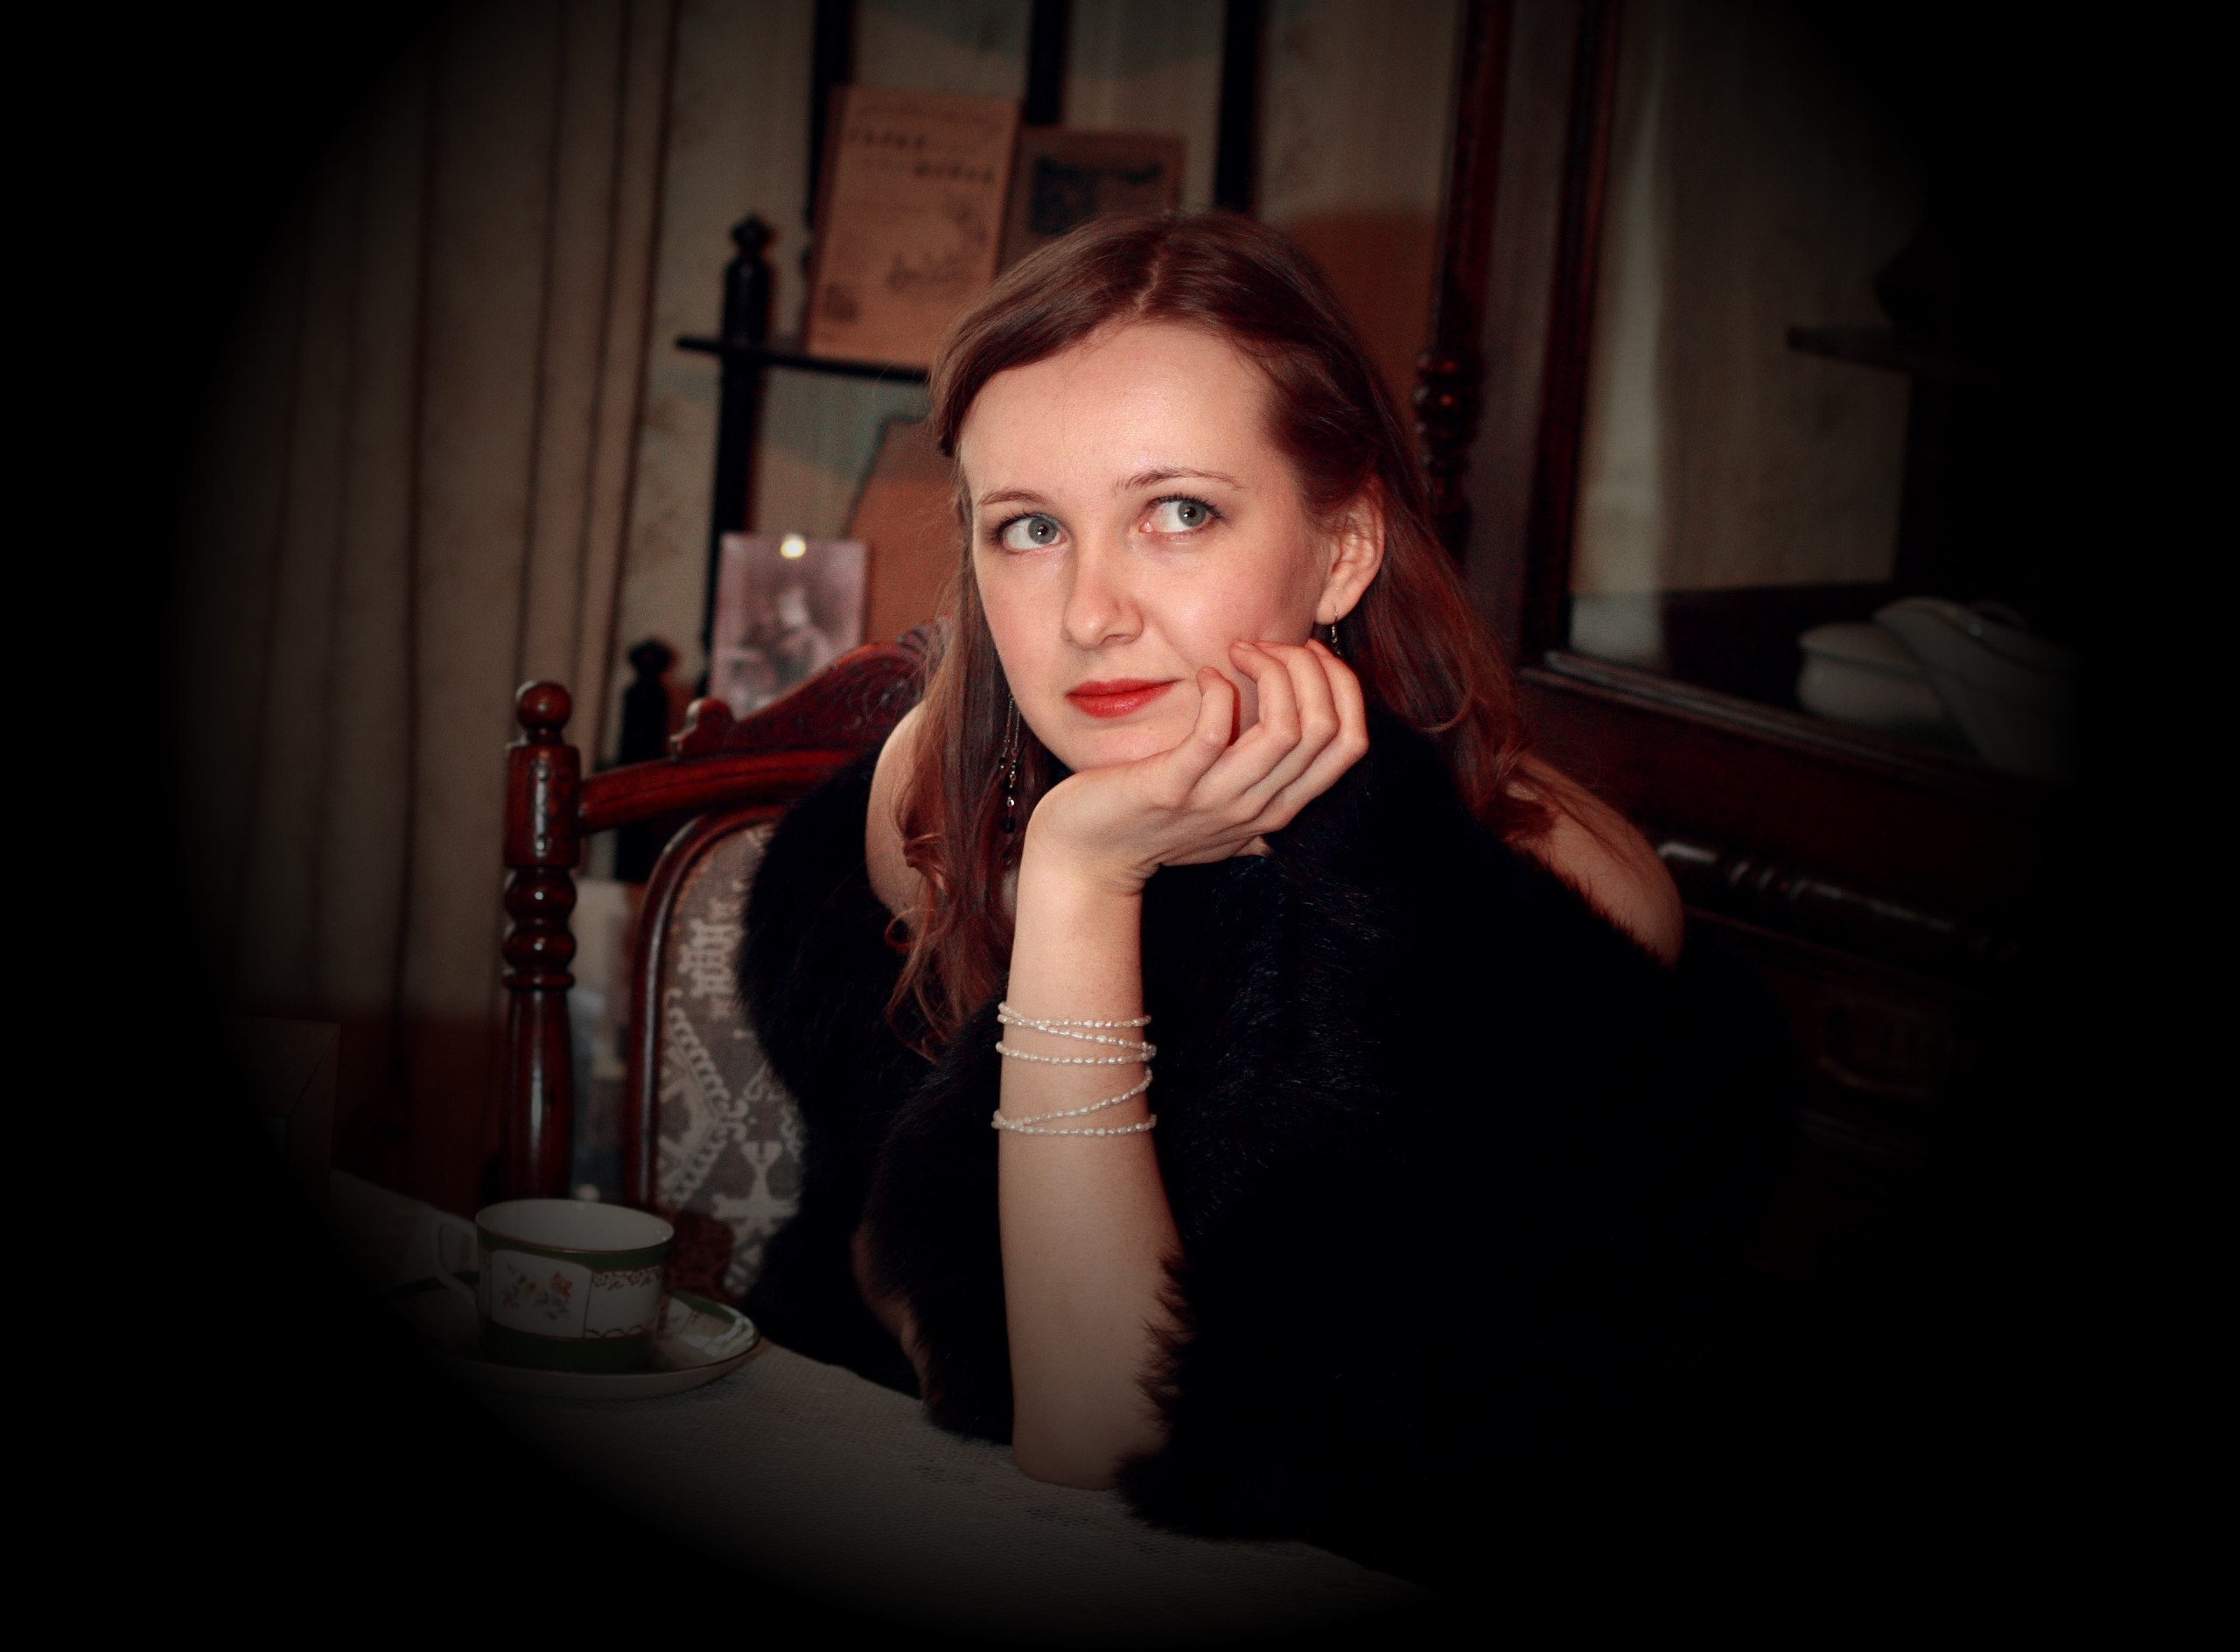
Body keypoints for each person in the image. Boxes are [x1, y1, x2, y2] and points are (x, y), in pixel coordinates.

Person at [735, 213, 1794, 1583]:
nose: (1092, 613)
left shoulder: (1528, 895)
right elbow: (893, 1275)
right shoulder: (944, 789)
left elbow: (1105, 1440)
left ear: (1343, 546)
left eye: (1179, 512)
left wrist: (1084, 879)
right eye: (1031, 528)